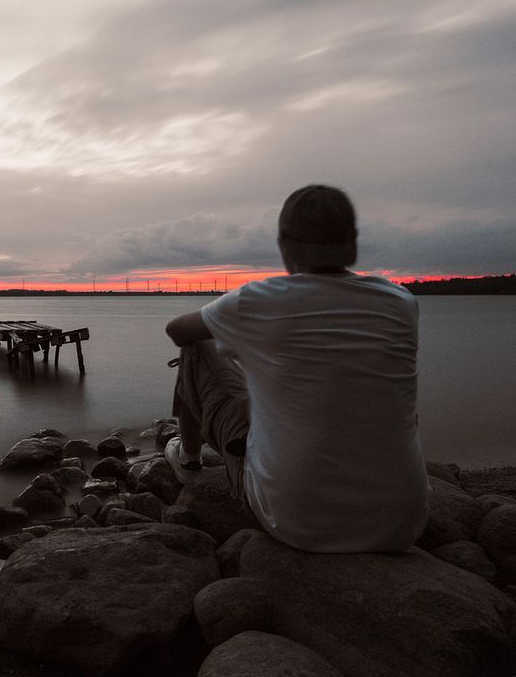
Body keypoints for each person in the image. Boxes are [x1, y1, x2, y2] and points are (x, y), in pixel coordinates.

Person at [164, 185, 429, 553]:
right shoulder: (401, 302)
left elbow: (176, 331)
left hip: (295, 520)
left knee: (195, 348)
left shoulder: (258, 301)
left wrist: (245, 345)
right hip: (400, 523)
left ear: (285, 245)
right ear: (352, 243)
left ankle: (187, 460)